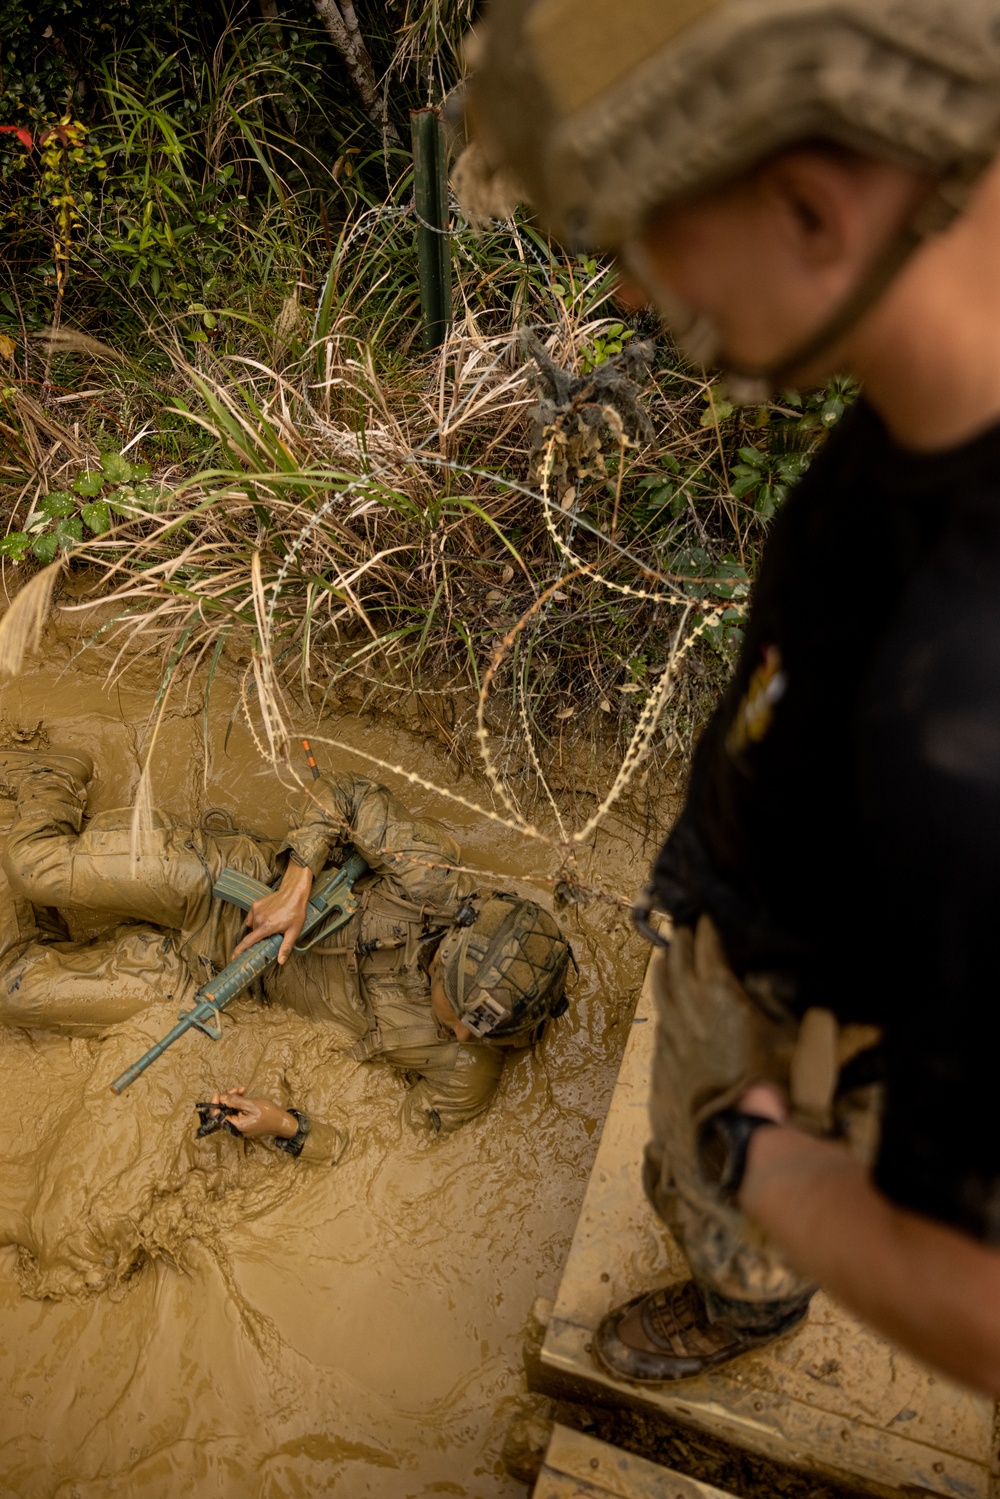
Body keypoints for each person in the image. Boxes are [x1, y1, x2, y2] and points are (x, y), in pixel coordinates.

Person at [463, 0, 1000, 1396]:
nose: (633, 295)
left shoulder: (968, 741)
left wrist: (779, 1167)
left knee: (702, 1155)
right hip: (781, 860)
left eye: (637, 238)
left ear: (816, 207)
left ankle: (745, 1299)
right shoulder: (943, 321)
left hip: (811, 999)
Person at [0, 747, 572, 1155]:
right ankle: (52, 771)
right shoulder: (433, 879)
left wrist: (287, 1125)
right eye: (465, 1014)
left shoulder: (465, 1071)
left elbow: (387, 1150)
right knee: (33, 868)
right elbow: (347, 793)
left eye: (485, 1033)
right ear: (449, 951)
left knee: (15, 989)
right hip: (229, 885)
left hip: (216, 985)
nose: (465, 1037)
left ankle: (65, 933)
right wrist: (298, 883)